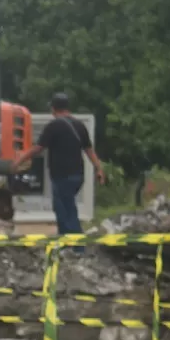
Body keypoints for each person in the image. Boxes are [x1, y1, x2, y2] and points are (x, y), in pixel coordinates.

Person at [12, 93, 106, 236]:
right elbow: (89, 151)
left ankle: (75, 245)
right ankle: (69, 242)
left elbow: (38, 149)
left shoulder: (53, 126)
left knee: (65, 210)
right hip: (77, 177)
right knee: (65, 206)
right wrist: (99, 169)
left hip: (62, 176)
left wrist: (19, 160)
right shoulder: (80, 126)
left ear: (54, 108)